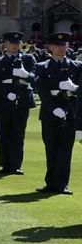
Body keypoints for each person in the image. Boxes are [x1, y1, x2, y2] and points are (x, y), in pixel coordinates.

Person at [34, 32, 79, 194]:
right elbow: (42, 90)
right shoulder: (42, 67)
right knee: (51, 148)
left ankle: (62, 184)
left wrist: (74, 88)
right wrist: (54, 108)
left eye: (64, 45)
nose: (61, 48)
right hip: (50, 113)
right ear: (50, 47)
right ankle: (51, 183)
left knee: (65, 150)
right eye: (57, 45)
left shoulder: (76, 66)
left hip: (70, 113)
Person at [0, 32, 37, 175]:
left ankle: (15, 165)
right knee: (3, 132)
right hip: (3, 101)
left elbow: (34, 77)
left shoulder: (28, 59)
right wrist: (6, 93)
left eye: (17, 43)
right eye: (11, 43)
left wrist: (26, 75)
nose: (14, 46)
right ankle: (5, 164)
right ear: (5, 44)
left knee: (18, 133)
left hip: (22, 99)